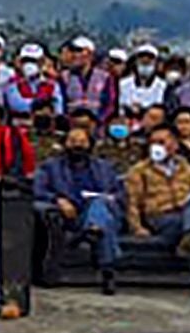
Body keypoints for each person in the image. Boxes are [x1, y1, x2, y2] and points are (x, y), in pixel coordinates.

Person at [124, 121, 190, 301]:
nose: (157, 146)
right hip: (161, 216)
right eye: (154, 142)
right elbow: (132, 202)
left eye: (162, 141)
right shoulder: (139, 171)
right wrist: (136, 227)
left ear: (174, 144)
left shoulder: (188, 168)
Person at [35, 121, 125, 292]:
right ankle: (108, 270)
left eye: (82, 142)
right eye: (73, 141)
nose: (77, 145)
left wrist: (109, 199)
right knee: (104, 224)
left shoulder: (105, 167)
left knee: (99, 206)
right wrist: (57, 200)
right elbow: (38, 190)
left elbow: (120, 194)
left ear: (90, 145)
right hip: (72, 215)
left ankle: (93, 229)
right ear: (65, 144)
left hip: (104, 210)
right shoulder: (51, 167)